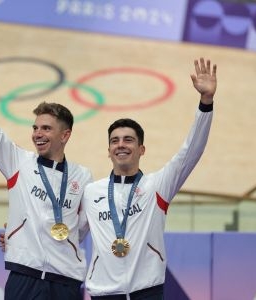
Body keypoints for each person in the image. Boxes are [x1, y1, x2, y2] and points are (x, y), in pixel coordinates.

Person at [0, 39, 93, 300]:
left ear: (65, 135)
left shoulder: (82, 176)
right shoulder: (17, 162)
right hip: (23, 277)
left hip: (65, 280)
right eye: (35, 128)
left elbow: (82, 227)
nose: (37, 134)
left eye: (46, 128)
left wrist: (41, 232)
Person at [82, 57, 217, 299]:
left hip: (147, 292)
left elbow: (191, 151)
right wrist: (18, 240)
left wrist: (205, 103)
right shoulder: (91, 191)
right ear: (108, 150)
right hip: (104, 294)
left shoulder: (158, 186)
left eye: (128, 140)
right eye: (115, 140)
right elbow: (67, 231)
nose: (121, 145)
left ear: (142, 149)